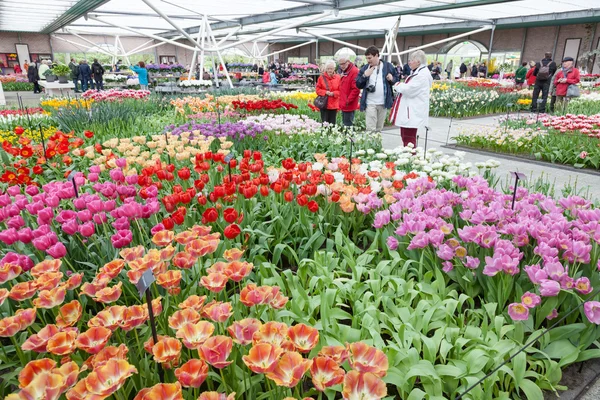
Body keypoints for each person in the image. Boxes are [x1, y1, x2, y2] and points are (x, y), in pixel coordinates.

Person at [390, 50, 433, 147]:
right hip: (411, 110)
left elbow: (409, 90)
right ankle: (409, 157)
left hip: (412, 112)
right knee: (406, 137)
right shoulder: (420, 73)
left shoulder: (421, 75)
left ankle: (410, 158)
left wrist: (396, 84)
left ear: (418, 62)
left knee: (408, 139)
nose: (409, 62)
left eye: (411, 60)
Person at [355, 46, 399, 133]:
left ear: (376, 55)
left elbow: (397, 79)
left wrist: (392, 79)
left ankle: (376, 146)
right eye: (367, 58)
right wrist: (365, 76)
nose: (368, 60)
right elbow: (358, 84)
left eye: (370, 58)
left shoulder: (387, 66)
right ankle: (370, 146)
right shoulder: (365, 68)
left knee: (379, 128)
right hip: (370, 102)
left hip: (383, 102)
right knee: (370, 129)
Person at [316, 60, 341, 125]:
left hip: (334, 104)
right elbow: (317, 90)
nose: (330, 70)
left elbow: (341, 91)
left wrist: (334, 93)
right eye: (328, 68)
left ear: (334, 68)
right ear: (326, 69)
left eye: (331, 68)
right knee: (324, 123)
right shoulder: (321, 78)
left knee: (333, 123)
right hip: (324, 104)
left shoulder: (338, 78)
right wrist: (325, 92)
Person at [338, 56, 360, 127]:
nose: (341, 66)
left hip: (348, 104)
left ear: (348, 62)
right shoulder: (346, 71)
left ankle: (349, 138)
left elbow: (356, 89)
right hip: (345, 103)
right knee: (346, 125)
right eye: (340, 64)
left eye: (343, 64)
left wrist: (347, 101)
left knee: (348, 126)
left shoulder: (354, 71)